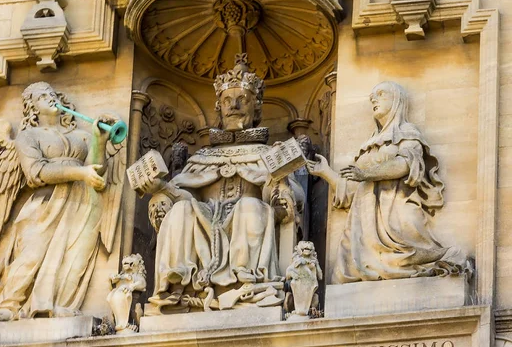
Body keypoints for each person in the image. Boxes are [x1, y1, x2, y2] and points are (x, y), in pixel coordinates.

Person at [145, 55, 303, 312]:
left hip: (247, 216)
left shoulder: (268, 154)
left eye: (243, 100)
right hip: (206, 217)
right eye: (227, 101)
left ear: (256, 109)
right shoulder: (202, 157)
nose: (234, 106)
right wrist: (163, 193)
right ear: (218, 108)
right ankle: (177, 284)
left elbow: (289, 199)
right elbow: (184, 194)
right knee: (181, 211)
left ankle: (248, 284)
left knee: (250, 207)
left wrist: (280, 184)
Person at [307, 81, 471, 283]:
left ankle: (448, 256)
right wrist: (325, 173)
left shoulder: (408, 133)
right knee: (342, 276)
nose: (373, 99)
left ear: (396, 101)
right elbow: (352, 191)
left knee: (406, 258)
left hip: (395, 214)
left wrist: (365, 174)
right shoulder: (369, 144)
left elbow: (405, 165)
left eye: (381, 94)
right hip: (362, 224)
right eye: (371, 97)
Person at [0, 82, 116, 321]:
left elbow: (97, 168)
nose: (50, 98)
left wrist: (99, 140)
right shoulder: (28, 137)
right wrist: (79, 174)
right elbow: (36, 173)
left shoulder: (80, 136)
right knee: (32, 252)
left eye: (52, 94)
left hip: (82, 203)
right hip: (45, 204)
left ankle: (60, 306)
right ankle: (8, 305)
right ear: (33, 108)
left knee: (75, 256)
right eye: (43, 96)